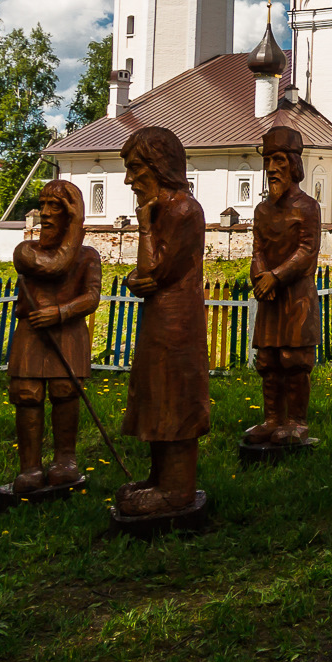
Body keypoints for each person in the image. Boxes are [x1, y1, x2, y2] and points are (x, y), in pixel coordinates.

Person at [118, 126, 210, 516]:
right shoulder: (162, 209)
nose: (129, 179)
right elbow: (144, 277)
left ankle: (178, 488)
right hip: (159, 319)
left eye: (136, 168)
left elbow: (153, 272)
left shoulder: (184, 210)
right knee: (157, 395)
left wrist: (142, 224)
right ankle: (159, 478)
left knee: (175, 395)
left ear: (157, 166)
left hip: (177, 321)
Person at [7, 179, 103, 492]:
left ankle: (65, 460)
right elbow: (55, 266)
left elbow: (91, 298)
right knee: (26, 394)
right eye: (43, 204)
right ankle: (30, 467)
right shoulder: (25, 251)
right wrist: (77, 223)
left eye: (56, 207)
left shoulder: (88, 256)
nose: (45, 213)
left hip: (68, 333)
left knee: (65, 391)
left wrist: (61, 312)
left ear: (71, 213)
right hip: (32, 333)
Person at [246, 126, 322, 445]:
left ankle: (296, 420)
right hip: (271, 298)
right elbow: (258, 249)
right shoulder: (262, 211)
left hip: (296, 298)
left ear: (293, 164)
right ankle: (272, 418)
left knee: (294, 360)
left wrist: (275, 276)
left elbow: (307, 251)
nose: (272, 168)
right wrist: (260, 275)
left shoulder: (307, 208)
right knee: (269, 360)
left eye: (279, 160)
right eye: (268, 162)